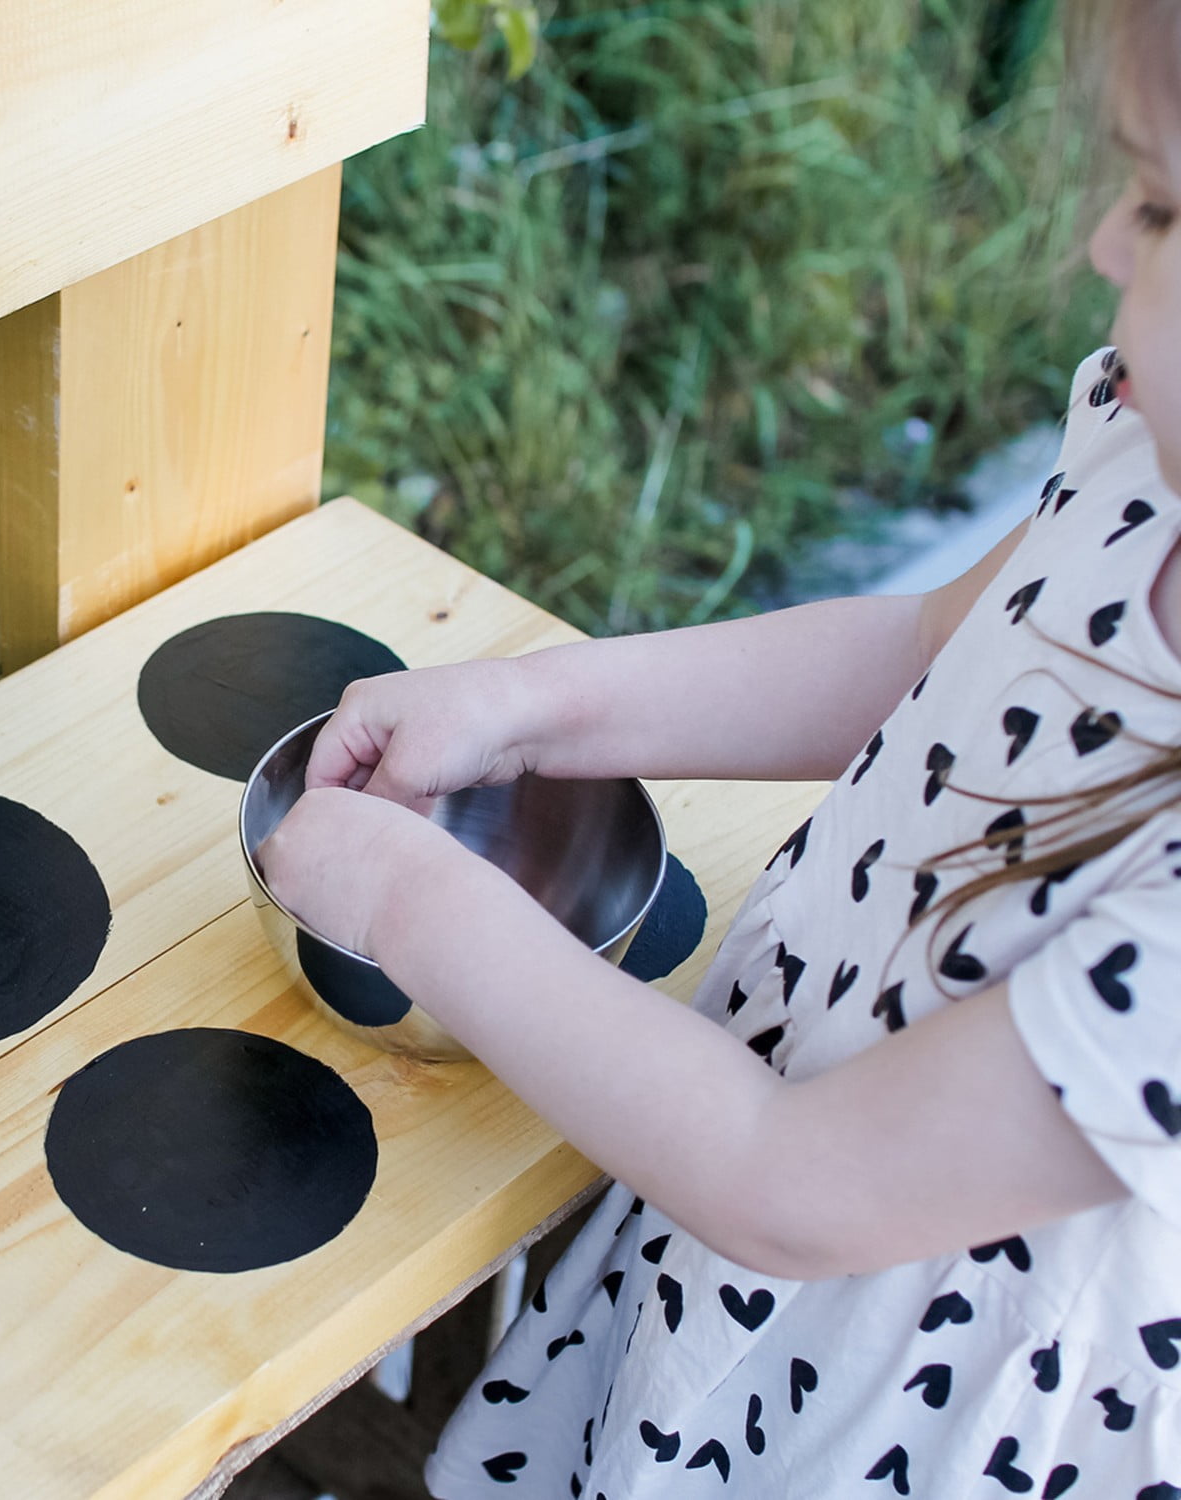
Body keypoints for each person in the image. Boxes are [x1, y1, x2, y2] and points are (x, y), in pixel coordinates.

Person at [255, 5, 1181, 1494]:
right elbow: (929, 653)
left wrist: (408, 902)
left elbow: (794, 1184)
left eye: (1155, 203)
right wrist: (529, 706)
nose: (1097, 248)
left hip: (879, 1417)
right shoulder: (1151, 468)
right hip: (725, 1221)